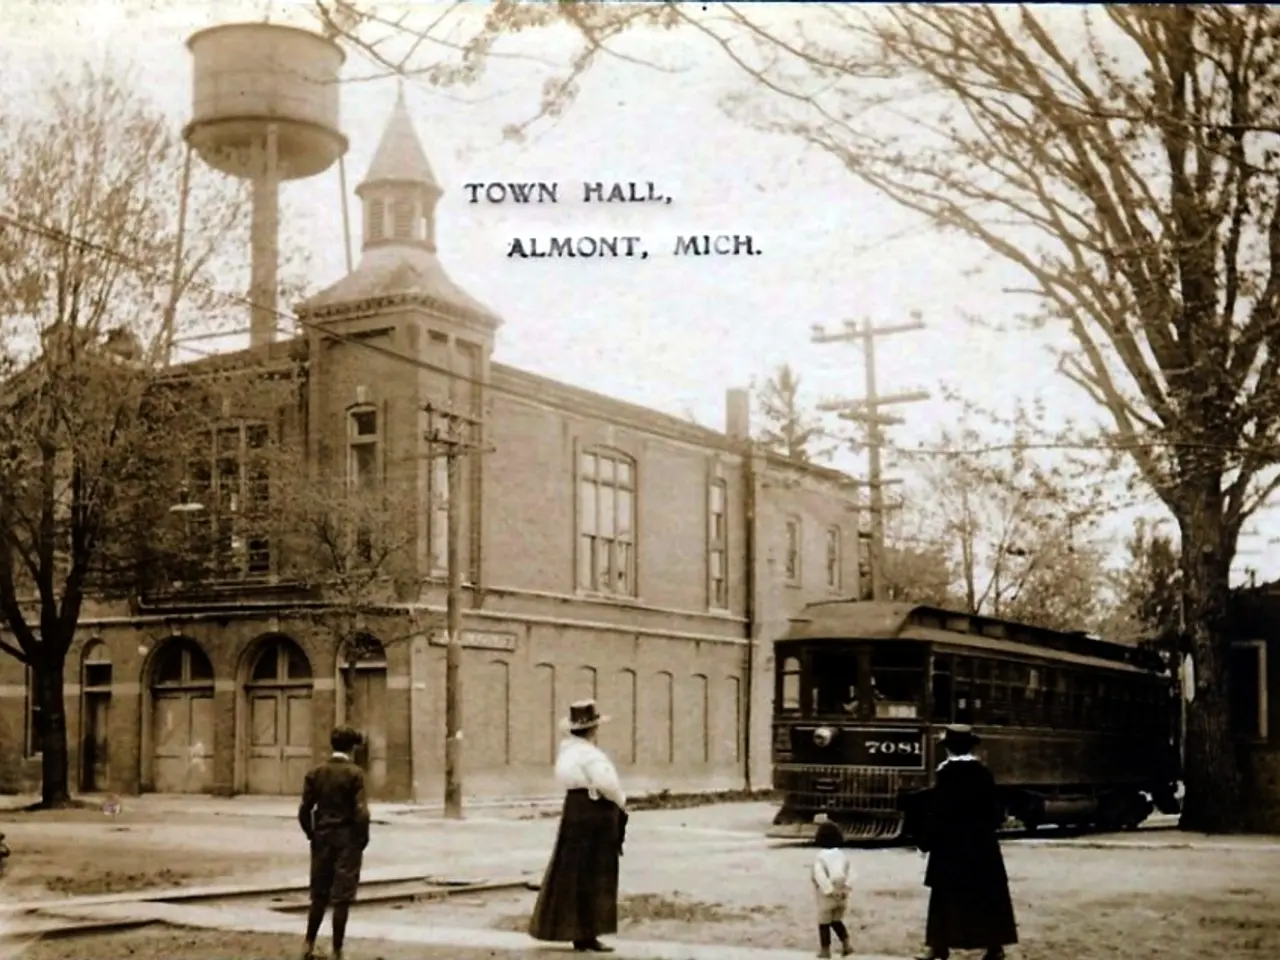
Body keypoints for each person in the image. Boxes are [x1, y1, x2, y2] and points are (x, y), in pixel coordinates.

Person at [529, 699, 628, 954]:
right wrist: (621, 803)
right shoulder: (590, 754)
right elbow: (607, 784)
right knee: (596, 872)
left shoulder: (567, 753)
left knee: (573, 870)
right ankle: (589, 932)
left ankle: (576, 931)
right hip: (595, 813)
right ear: (593, 730)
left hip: (574, 811)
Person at [915, 725, 1018, 960]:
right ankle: (994, 947)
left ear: (949, 750)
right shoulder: (984, 774)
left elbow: (936, 813)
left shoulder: (945, 775)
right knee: (987, 895)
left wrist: (925, 841)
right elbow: (996, 814)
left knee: (945, 897)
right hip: (982, 848)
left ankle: (939, 946)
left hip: (949, 848)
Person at [298, 725, 371, 960]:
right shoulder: (355, 774)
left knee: (318, 894)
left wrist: (312, 833)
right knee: (342, 897)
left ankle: (308, 944)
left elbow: (304, 810)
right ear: (352, 748)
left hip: (322, 839)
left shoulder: (315, 773)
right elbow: (361, 812)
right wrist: (361, 838)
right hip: (347, 840)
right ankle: (337, 951)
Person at [811, 818, 854, 958]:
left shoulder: (820, 857)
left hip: (827, 894)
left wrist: (830, 891)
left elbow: (820, 876)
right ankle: (846, 943)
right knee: (837, 920)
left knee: (823, 922)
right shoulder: (842, 855)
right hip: (842, 892)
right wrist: (846, 889)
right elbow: (851, 873)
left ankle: (825, 950)